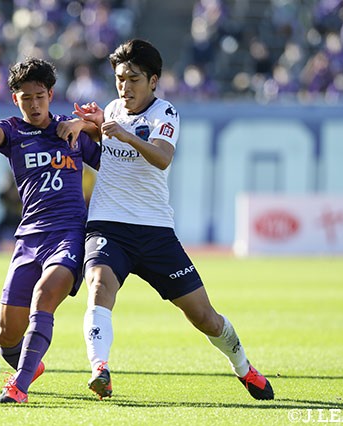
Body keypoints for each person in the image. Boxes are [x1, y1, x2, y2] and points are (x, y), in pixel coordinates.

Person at [73, 39, 274, 401]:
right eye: (120, 79)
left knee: (204, 317)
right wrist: (93, 127)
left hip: (155, 232)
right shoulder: (112, 109)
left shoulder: (164, 114)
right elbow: (110, 156)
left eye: (133, 79)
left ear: (153, 81)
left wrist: (124, 134)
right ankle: (99, 370)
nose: (125, 87)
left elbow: (162, 158)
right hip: (108, 225)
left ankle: (244, 367)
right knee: (99, 287)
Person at [0, 58, 101, 404]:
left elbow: (112, 159)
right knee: (7, 336)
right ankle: (30, 365)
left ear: (51, 95)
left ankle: (19, 387)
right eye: (26, 98)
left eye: (39, 97)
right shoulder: (14, 131)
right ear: (16, 99)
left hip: (69, 234)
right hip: (29, 239)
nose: (33, 105)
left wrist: (87, 124)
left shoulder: (70, 131)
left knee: (45, 295)